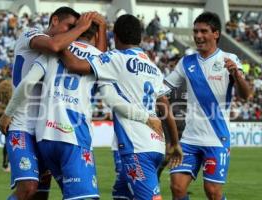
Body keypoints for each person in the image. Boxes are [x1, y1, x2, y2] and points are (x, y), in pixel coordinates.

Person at [0, 18, 163, 199]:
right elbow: (110, 98)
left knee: (36, 193)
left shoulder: (55, 51)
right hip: (73, 136)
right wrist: (145, 117)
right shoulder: (99, 59)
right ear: (94, 35)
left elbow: (28, 82)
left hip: (43, 137)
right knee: (82, 196)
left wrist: (8, 113)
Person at [58, 14, 183, 200]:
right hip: (156, 144)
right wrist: (174, 143)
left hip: (136, 147)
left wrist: (57, 45)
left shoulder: (115, 58)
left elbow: (74, 64)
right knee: (121, 195)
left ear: (115, 37)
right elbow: (165, 106)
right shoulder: (153, 67)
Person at [0, 7, 96, 200]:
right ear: (55, 20)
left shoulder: (61, 51)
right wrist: (8, 113)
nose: (70, 32)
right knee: (28, 188)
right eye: (68, 26)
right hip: (21, 124)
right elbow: (53, 45)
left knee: (41, 195)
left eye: (74, 29)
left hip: (45, 130)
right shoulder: (34, 35)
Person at [164, 12, 251, 200]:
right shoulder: (186, 62)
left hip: (217, 139)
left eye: (203, 31)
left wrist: (236, 75)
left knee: (212, 192)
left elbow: (246, 95)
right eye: (195, 31)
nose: (198, 36)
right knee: (177, 187)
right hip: (189, 139)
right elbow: (163, 88)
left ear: (216, 34)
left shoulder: (230, 59)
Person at [0, 79, 13, 172]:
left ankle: (6, 164)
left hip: (4, 115)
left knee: (8, 142)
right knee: (9, 142)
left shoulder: (2, 103)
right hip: (9, 117)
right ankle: (7, 164)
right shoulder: (10, 100)